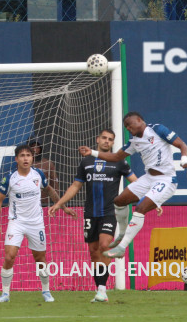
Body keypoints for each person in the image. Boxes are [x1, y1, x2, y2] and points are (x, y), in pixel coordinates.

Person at [78, 112, 187, 260]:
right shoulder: (134, 142)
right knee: (119, 201)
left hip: (166, 180)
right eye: (126, 127)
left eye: (129, 125)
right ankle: (122, 233)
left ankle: (121, 247)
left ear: (139, 120)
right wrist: (92, 152)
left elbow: (182, 145)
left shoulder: (157, 129)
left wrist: (184, 159)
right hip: (148, 178)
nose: (128, 128)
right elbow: (115, 157)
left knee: (140, 208)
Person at [48, 129, 137, 302]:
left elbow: (136, 182)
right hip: (90, 213)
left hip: (109, 212)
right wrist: (59, 204)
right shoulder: (86, 161)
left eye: (110, 139)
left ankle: (103, 288)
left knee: (104, 245)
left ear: (113, 143)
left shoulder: (119, 162)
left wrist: (152, 199)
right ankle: (100, 291)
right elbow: (75, 186)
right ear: (97, 139)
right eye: (104, 138)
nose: (106, 141)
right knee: (94, 251)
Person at [0, 144, 76, 303]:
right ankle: (5, 294)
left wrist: (63, 207)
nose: (25, 158)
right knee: (9, 257)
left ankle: (46, 291)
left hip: (36, 223)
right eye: (22, 155)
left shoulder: (38, 174)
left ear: (32, 158)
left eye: (28, 155)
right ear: (16, 159)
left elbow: (49, 189)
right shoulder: (10, 178)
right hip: (16, 222)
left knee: (40, 259)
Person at [28, 136, 59, 206]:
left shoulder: (48, 164)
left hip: (44, 203)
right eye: (32, 147)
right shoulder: (24, 163)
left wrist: (57, 203)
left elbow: (55, 184)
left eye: (37, 147)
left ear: (41, 148)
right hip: (28, 202)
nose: (34, 149)